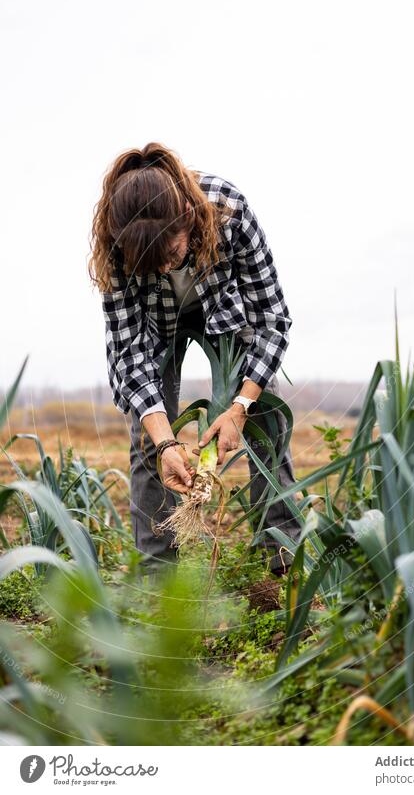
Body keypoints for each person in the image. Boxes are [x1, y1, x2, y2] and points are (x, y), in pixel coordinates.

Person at [88, 142, 299, 576]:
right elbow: (129, 355)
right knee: (147, 438)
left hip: (225, 316)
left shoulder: (228, 211)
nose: (164, 270)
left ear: (188, 216)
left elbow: (271, 320)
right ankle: (158, 576)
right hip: (154, 330)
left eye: (170, 254)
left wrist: (240, 406)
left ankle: (280, 558)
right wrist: (166, 440)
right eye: (149, 264)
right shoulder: (115, 245)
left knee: (267, 420)